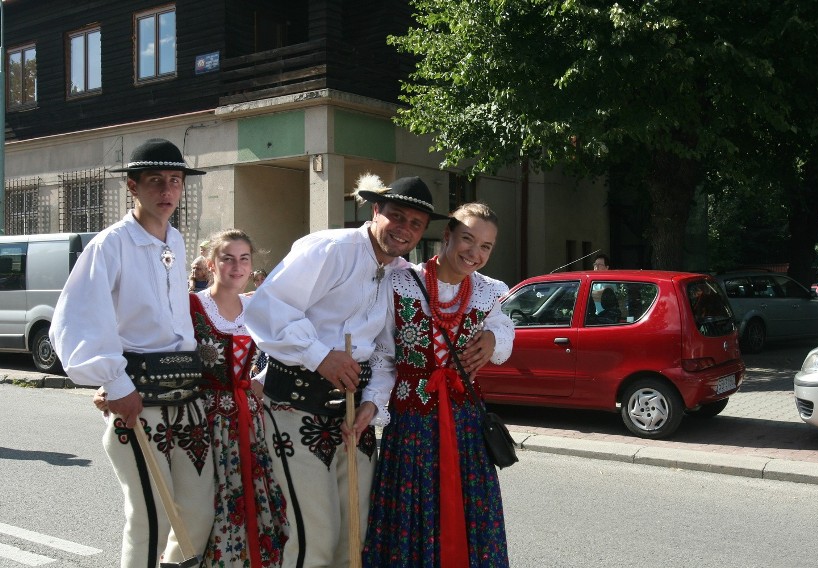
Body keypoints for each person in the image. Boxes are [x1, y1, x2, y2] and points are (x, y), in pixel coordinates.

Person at [244, 175, 493, 568]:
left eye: (415, 224)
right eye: (396, 216)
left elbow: (384, 355)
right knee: (313, 538)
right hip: (296, 406)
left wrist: (373, 406)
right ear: (375, 210)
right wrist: (320, 355)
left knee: (356, 536)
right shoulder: (330, 248)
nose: (404, 229)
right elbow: (265, 309)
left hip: (351, 416)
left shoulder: (400, 274)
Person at [49, 138, 215, 568]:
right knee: (150, 517)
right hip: (138, 402)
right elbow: (80, 319)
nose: (167, 191)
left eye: (175, 181)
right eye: (156, 181)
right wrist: (115, 383)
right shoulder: (110, 245)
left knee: (197, 514)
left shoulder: (176, 241)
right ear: (132, 186)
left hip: (186, 398)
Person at [356, 202, 515, 567]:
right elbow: (383, 357)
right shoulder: (399, 282)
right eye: (467, 240)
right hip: (412, 427)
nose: (474, 253)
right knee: (411, 519)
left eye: (486, 247)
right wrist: (372, 404)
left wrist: (493, 336)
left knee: (468, 514)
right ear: (447, 236)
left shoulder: (489, 291)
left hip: (466, 429)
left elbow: (506, 330)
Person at [189, 229, 288, 567]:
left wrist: (259, 380)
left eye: (243, 259)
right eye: (227, 258)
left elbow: (284, 348)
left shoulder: (256, 305)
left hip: (248, 418)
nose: (236, 266)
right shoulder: (192, 305)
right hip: (202, 421)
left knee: (251, 499)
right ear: (210, 264)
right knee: (205, 503)